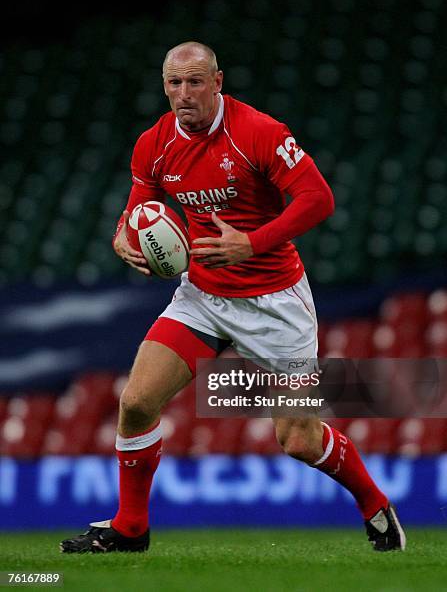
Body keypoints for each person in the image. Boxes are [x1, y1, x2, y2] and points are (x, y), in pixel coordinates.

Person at [60, 41, 406, 553]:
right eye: (174, 83)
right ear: (164, 86)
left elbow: (319, 198)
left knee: (299, 440)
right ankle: (131, 528)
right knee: (135, 403)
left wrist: (251, 241)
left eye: (195, 81)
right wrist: (122, 236)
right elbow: (138, 205)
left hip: (275, 303)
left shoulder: (258, 133)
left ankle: (375, 504)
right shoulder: (153, 143)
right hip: (202, 294)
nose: (184, 94)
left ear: (218, 82)